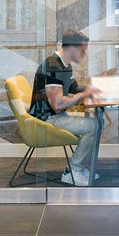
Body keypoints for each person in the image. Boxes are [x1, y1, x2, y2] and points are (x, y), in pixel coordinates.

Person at [29, 30, 103, 186]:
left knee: (96, 122)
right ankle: (72, 171)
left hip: (56, 117)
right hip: (47, 119)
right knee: (95, 125)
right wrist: (84, 95)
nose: (84, 53)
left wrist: (91, 89)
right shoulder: (53, 66)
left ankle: (78, 168)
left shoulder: (64, 64)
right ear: (73, 48)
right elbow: (58, 105)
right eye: (83, 49)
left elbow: (73, 88)